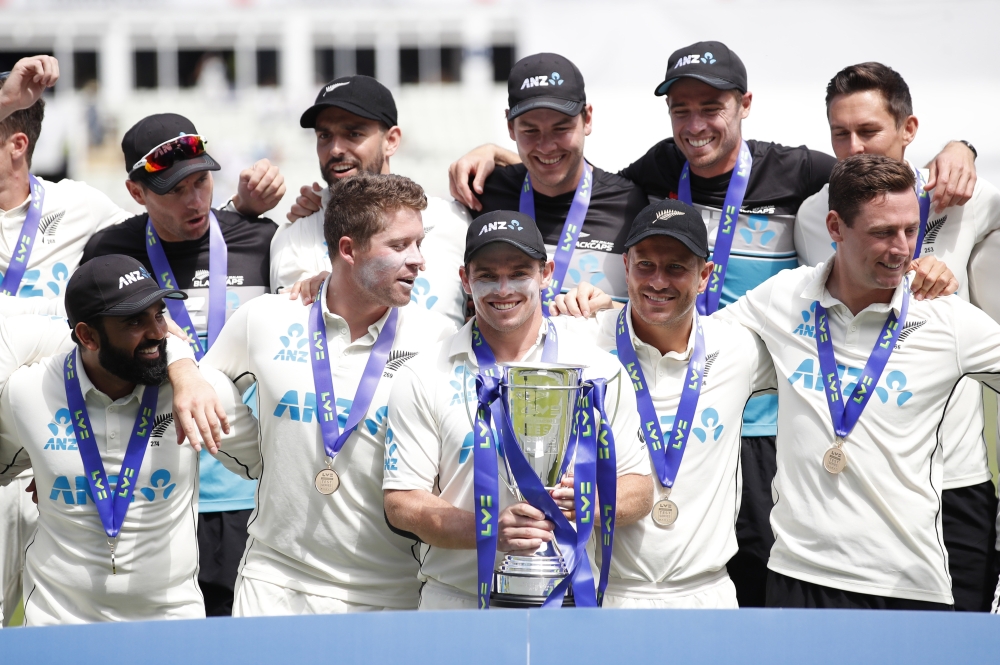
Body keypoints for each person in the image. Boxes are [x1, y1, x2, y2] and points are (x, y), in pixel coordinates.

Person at [447, 40, 978, 607]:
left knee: (764, 578)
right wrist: (502, 152)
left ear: (745, 104)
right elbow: (567, 169)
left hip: (765, 416)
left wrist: (959, 150)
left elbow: (875, 186)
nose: (696, 124)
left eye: (712, 107)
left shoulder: (797, 172)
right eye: (682, 110)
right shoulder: (650, 177)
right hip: (661, 399)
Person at [717, 154, 1000, 609]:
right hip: (796, 577)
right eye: (883, 232)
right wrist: (603, 313)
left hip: (906, 585)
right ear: (836, 227)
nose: (902, 248)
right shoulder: (783, 297)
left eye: (910, 230)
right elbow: (691, 343)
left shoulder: (944, 316)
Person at [793, 62, 1000, 612]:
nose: (854, 148)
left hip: (953, 477)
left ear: (909, 130)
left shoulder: (969, 195)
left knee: (957, 643)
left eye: (869, 131)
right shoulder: (816, 213)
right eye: (840, 134)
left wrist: (965, 149)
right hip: (858, 481)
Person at [202, 172, 456, 615]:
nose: (419, 260)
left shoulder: (438, 338)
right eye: (400, 245)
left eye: (419, 243)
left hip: (388, 593)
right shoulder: (266, 317)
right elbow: (204, 381)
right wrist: (254, 455)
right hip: (271, 582)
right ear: (348, 250)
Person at [382, 209, 652, 610]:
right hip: (458, 603)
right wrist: (487, 529)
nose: (503, 289)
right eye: (487, 275)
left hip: (569, 601)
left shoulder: (597, 369)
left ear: (546, 274)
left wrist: (592, 505)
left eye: (519, 273)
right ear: (465, 279)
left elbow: (640, 490)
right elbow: (402, 503)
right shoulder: (424, 372)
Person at [81, 112, 281, 616]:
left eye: (201, 182)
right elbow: (91, 360)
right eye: (174, 191)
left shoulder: (260, 240)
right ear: (136, 192)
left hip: (246, 487)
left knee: (244, 640)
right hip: (152, 488)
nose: (195, 201)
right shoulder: (111, 252)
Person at [0, 255, 257, 625]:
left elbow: (271, 464)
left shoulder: (199, 389)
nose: (158, 332)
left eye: (159, 314)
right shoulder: (27, 392)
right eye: (134, 321)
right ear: (87, 336)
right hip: (56, 621)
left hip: (171, 621)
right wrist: (49, 469)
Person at [554, 198, 777, 607]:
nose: (658, 281)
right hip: (605, 593)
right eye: (645, 265)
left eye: (675, 267)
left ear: (704, 276)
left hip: (707, 594)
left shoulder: (737, 349)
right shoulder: (579, 340)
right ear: (625, 267)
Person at [270, 75, 470, 327]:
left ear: (391, 140)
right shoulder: (295, 235)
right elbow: (293, 333)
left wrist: (493, 152)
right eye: (324, 135)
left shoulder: (454, 222)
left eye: (353, 133)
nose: (335, 149)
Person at [466, 53, 648, 305]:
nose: (546, 146)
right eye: (530, 130)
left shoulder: (630, 203)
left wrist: (612, 309)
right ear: (510, 127)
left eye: (561, 128)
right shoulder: (481, 192)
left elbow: (658, 308)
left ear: (588, 119)